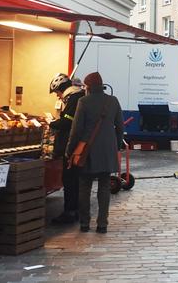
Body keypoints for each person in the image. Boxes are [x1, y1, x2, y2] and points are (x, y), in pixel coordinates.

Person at [65, 72, 125, 234]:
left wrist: (70, 150)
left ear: (88, 87)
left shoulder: (83, 102)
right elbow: (120, 127)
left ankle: (85, 223)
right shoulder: (113, 101)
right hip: (107, 150)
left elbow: (76, 130)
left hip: (88, 151)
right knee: (104, 187)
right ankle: (102, 224)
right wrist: (117, 147)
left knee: (84, 187)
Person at [48, 73, 86, 224]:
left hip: (72, 147)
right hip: (78, 146)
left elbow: (68, 122)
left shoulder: (73, 99)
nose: (57, 96)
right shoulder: (78, 96)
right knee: (75, 180)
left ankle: (70, 212)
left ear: (61, 88)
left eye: (56, 92)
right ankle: (75, 210)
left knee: (70, 180)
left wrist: (52, 123)